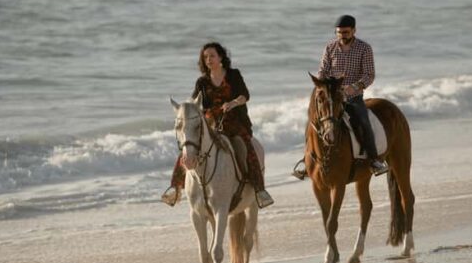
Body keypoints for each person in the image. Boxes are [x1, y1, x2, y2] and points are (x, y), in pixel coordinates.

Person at [162, 42, 274, 209]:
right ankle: (175, 188)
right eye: (205, 57)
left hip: (234, 122)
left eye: (212, 56)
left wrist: (233, 103)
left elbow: (245, 95)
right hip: (211, 124)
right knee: (188, 147)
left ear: (220, 57)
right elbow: (195, 103)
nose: (208, 60)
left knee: (245, 147)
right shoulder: (202, 82)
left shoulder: (233, 75)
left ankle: (259, 190)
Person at [293, 14, 388, 179]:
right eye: (339, 32)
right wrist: (321, 85)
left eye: (345, 32)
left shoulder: (364, 48)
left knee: (363, 120)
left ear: (354, 31)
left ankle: (374, 160)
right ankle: (307, 160)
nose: (342, 35)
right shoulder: (330, 47)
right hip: (331, 95)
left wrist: (352, 89)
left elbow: (369, 75)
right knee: (313, 121)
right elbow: (323, 69)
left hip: (353, 97)